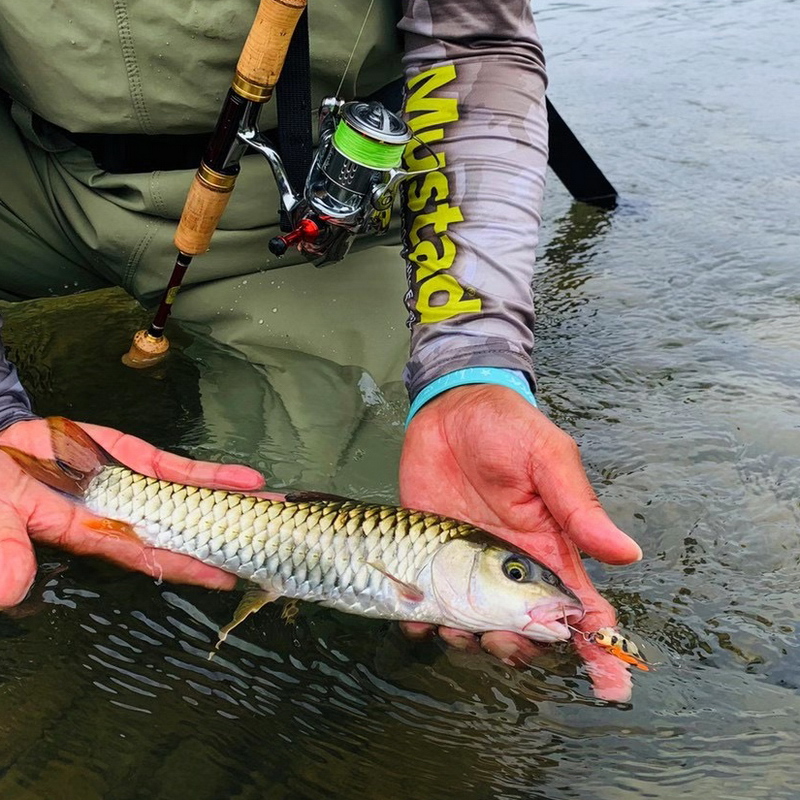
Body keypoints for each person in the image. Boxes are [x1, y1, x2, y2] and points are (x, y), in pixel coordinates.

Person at [0, 0, 641, 701]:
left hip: (291, 200)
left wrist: (470, 366)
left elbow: (475, 48)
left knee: (379, 465)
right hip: (22, 168)